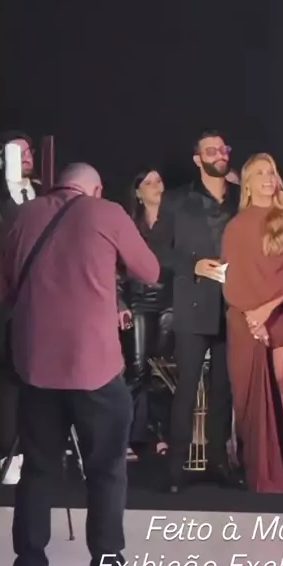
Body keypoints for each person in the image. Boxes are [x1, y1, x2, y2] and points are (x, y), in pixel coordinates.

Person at [0, 163, 160, 566]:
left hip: (35, 368)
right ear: (95, 188)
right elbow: (150, 270)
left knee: (37, 472)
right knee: (106, 472)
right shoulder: (106, 213)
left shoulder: (22, 216)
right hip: (94, 367)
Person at [221, 153, 283, 492]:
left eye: (271, 171)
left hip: (281, 313)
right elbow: (233, 277)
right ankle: (262, 469)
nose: (268, 178)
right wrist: (251, 315)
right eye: (260, 173)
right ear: (247, 184)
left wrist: (267, 309)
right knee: (252, 396)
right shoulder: (236, 226)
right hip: (245, 318)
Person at [162, 129, 243, 492]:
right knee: (186, 389)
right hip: (192, 305)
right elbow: (157, 250)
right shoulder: (177, 200)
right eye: (211, 150)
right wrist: (191, 265)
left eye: (223, 148)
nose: (220, 154)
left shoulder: (241, 198)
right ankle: (174, 468)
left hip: (233, 304)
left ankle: (219, 462)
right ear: (198, 159)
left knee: (224, 390)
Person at [0, 131, 42, 485]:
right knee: (8, 379)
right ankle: (10, 454)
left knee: (39, 378)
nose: (25, 156)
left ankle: (39, 452)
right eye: (16, 151)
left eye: (28, 151)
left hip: (42, 303)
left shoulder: (46, 197)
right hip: (5, 305)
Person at [118, 167, 175, 454]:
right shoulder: (129, 225)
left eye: (159, 180)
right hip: (138, 302)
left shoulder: (175, 221)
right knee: (137, 369)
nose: (155, 186)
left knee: (161, 372)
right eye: (148, 182)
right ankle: (125, 438)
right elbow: (116, 269)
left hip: (170, 301)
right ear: (138, 192)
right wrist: (120, 303)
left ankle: (159, 434)